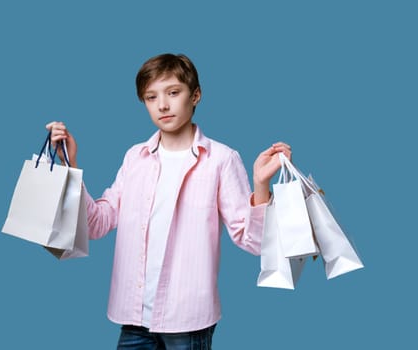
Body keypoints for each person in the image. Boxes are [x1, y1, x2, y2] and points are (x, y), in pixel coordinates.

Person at [47, 53, 292, 349]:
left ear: (196, 95)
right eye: (151, 97)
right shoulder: (134, 157)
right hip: (134, 317)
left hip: (188, 319)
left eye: (173, 92)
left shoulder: (221, 160)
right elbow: (98, 223)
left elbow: (252, 241)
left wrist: (261, 184)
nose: (162, 105)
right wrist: (71, 166)